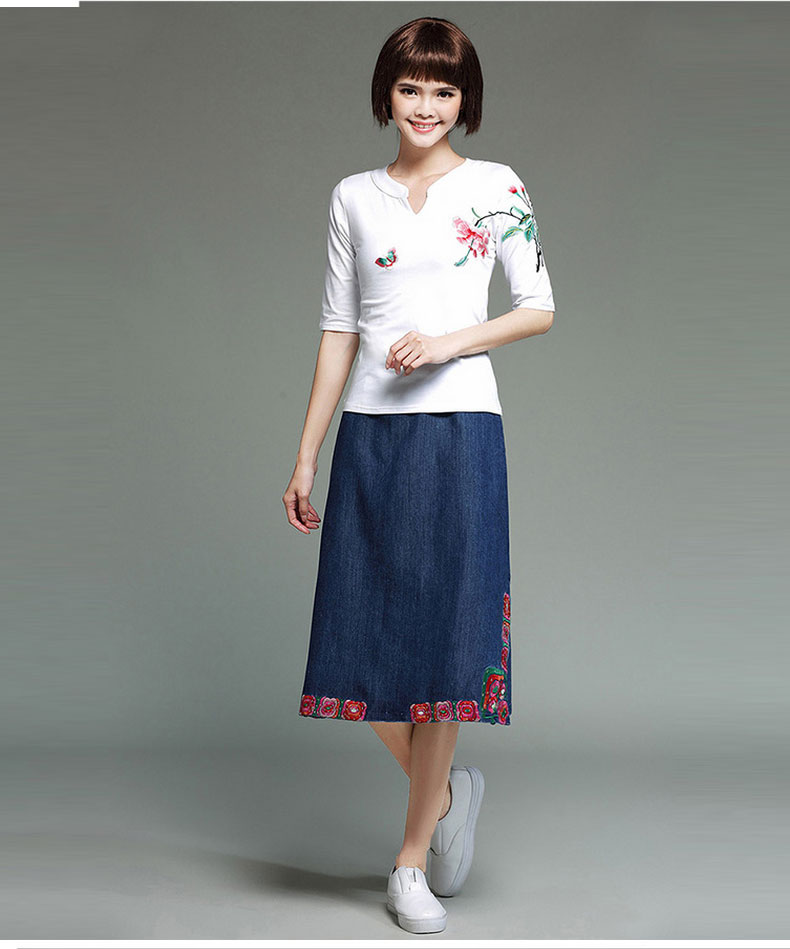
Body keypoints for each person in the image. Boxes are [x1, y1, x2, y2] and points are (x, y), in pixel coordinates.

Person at [282, 16, 555, 935]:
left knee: (443, 643)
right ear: (386, 95)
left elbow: (538, 307)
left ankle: (407, 864)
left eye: (444, 89)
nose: (427, 105)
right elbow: (339, 330)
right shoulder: (352, 197)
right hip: (369, 433)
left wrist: (447, 343)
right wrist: (307, 450)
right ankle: (442, 795)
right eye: (411, 88)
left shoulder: (496, 186)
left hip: (461, 431)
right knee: (354, 638)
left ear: (464, 99)